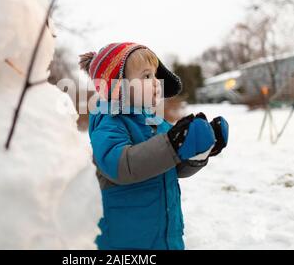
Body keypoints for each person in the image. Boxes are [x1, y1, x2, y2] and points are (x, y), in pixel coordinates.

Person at [79, 42, 229, 250]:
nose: (156, 82)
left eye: (155, 75)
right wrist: (173, 144)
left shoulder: (156, 121)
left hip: (165, 234)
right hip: (126, 240)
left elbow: (173, 165)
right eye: (146, 76)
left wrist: (198, 152)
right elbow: (121, 165)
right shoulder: (109, 122)